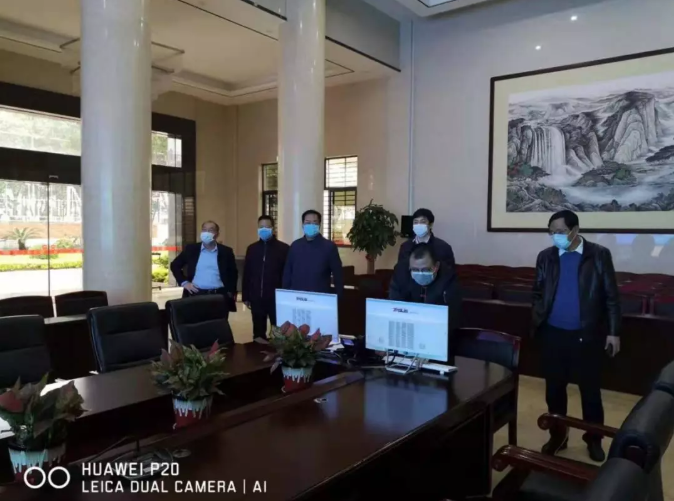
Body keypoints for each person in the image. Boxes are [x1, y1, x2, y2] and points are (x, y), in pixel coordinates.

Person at [532, 210, 621, 462]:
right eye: (552, 232)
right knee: (554, 390)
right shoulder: (546, 257)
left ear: (575, 230)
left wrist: (614, 332)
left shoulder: (598, 255)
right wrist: (538, 317)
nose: (555, 236)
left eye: (560, 232)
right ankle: (558, 436)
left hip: (587, 334)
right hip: (553, 333)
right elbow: (537, 292)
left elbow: (611, 296)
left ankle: (593, 439)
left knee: (590, 392)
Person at [170, 220, 238, 318]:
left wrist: (231, 292)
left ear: (217, 234)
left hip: (219, 296)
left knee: (218, 325)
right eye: (204, 230)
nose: (207, 232)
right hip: (196, 294)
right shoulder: (191, 249)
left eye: (211, 230)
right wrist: (184, 282)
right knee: (195, 324)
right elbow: (175, 265)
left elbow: (233, 273)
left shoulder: (226, 251)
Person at [389, 243, 461, 334]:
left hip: (437, 330)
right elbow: (394, 307)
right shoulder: (401, 274)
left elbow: (451, 317)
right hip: (407, 328)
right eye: (415, 270)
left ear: (436, 266)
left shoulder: (448, 278)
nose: (420, 274)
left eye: (425, 270)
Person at [242, 215, 289, 340]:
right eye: (261, 227)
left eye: (267, 227)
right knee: (258, 334)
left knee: (278, 334)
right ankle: (258, 351)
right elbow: (247, 273)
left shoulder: (284, 248)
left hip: (276, 298)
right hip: (256, 298)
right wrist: (246, 296)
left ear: (273, 229)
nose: (264, 229)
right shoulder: (252, 249)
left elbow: (287, 274)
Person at [283, 209, 344, 295]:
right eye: (307, 222)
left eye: (315, 223)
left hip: (320, 296)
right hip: (297, 296)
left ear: (319, 225)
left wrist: (339, 295)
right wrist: (285, 293)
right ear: (302, 225)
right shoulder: (295, 246)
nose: (311, 225)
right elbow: (288, 272)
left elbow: (338, 274)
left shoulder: (329, 247)